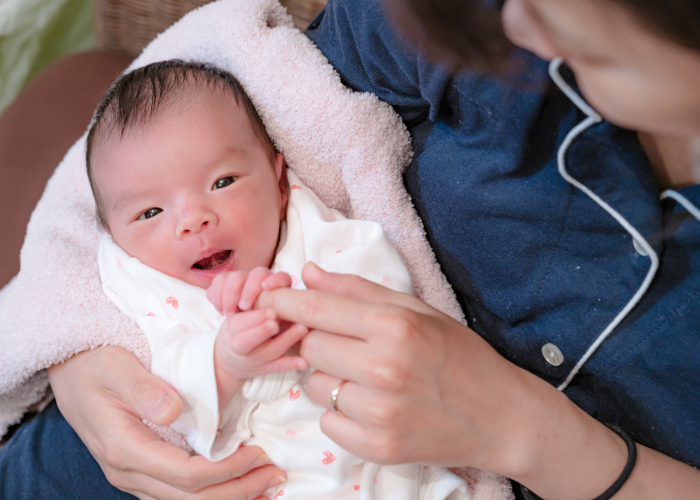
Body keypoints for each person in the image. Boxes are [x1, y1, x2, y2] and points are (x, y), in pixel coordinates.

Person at [1, 0, 699, 498]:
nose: (516, 22)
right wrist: (78, 345)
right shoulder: (499, 21)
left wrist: (519, 431)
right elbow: (207, 86)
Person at [88, 59, 466, 499]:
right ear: (115, 236)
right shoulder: (152, 285)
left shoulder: (314, 238)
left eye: (222, 181)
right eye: (150, 212)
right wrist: (226, 361)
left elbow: (387, 289)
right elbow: (171, 393)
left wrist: (301, 316)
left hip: (393, 475)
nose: (192, 220)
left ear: (280, 183)